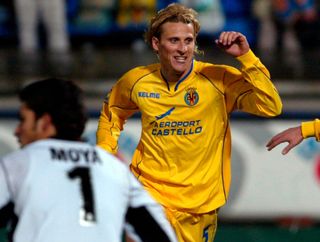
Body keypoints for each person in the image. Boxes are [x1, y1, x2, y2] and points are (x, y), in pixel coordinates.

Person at [96, 3, 282, 241]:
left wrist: (246, 58)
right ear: (156, 43)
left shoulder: (218, 80)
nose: (183, 49)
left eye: (189, 40)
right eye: (174, 40)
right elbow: (112, 115)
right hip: (149, 194)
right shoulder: (136, 81)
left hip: (199, 204)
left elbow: (271, 105)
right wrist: (104, 155)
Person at [0, 78, 178, 242]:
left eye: (23, 120)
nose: (17, 130)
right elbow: (161, 236)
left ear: (45, 123)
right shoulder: (116, 169)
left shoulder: (17, 165)